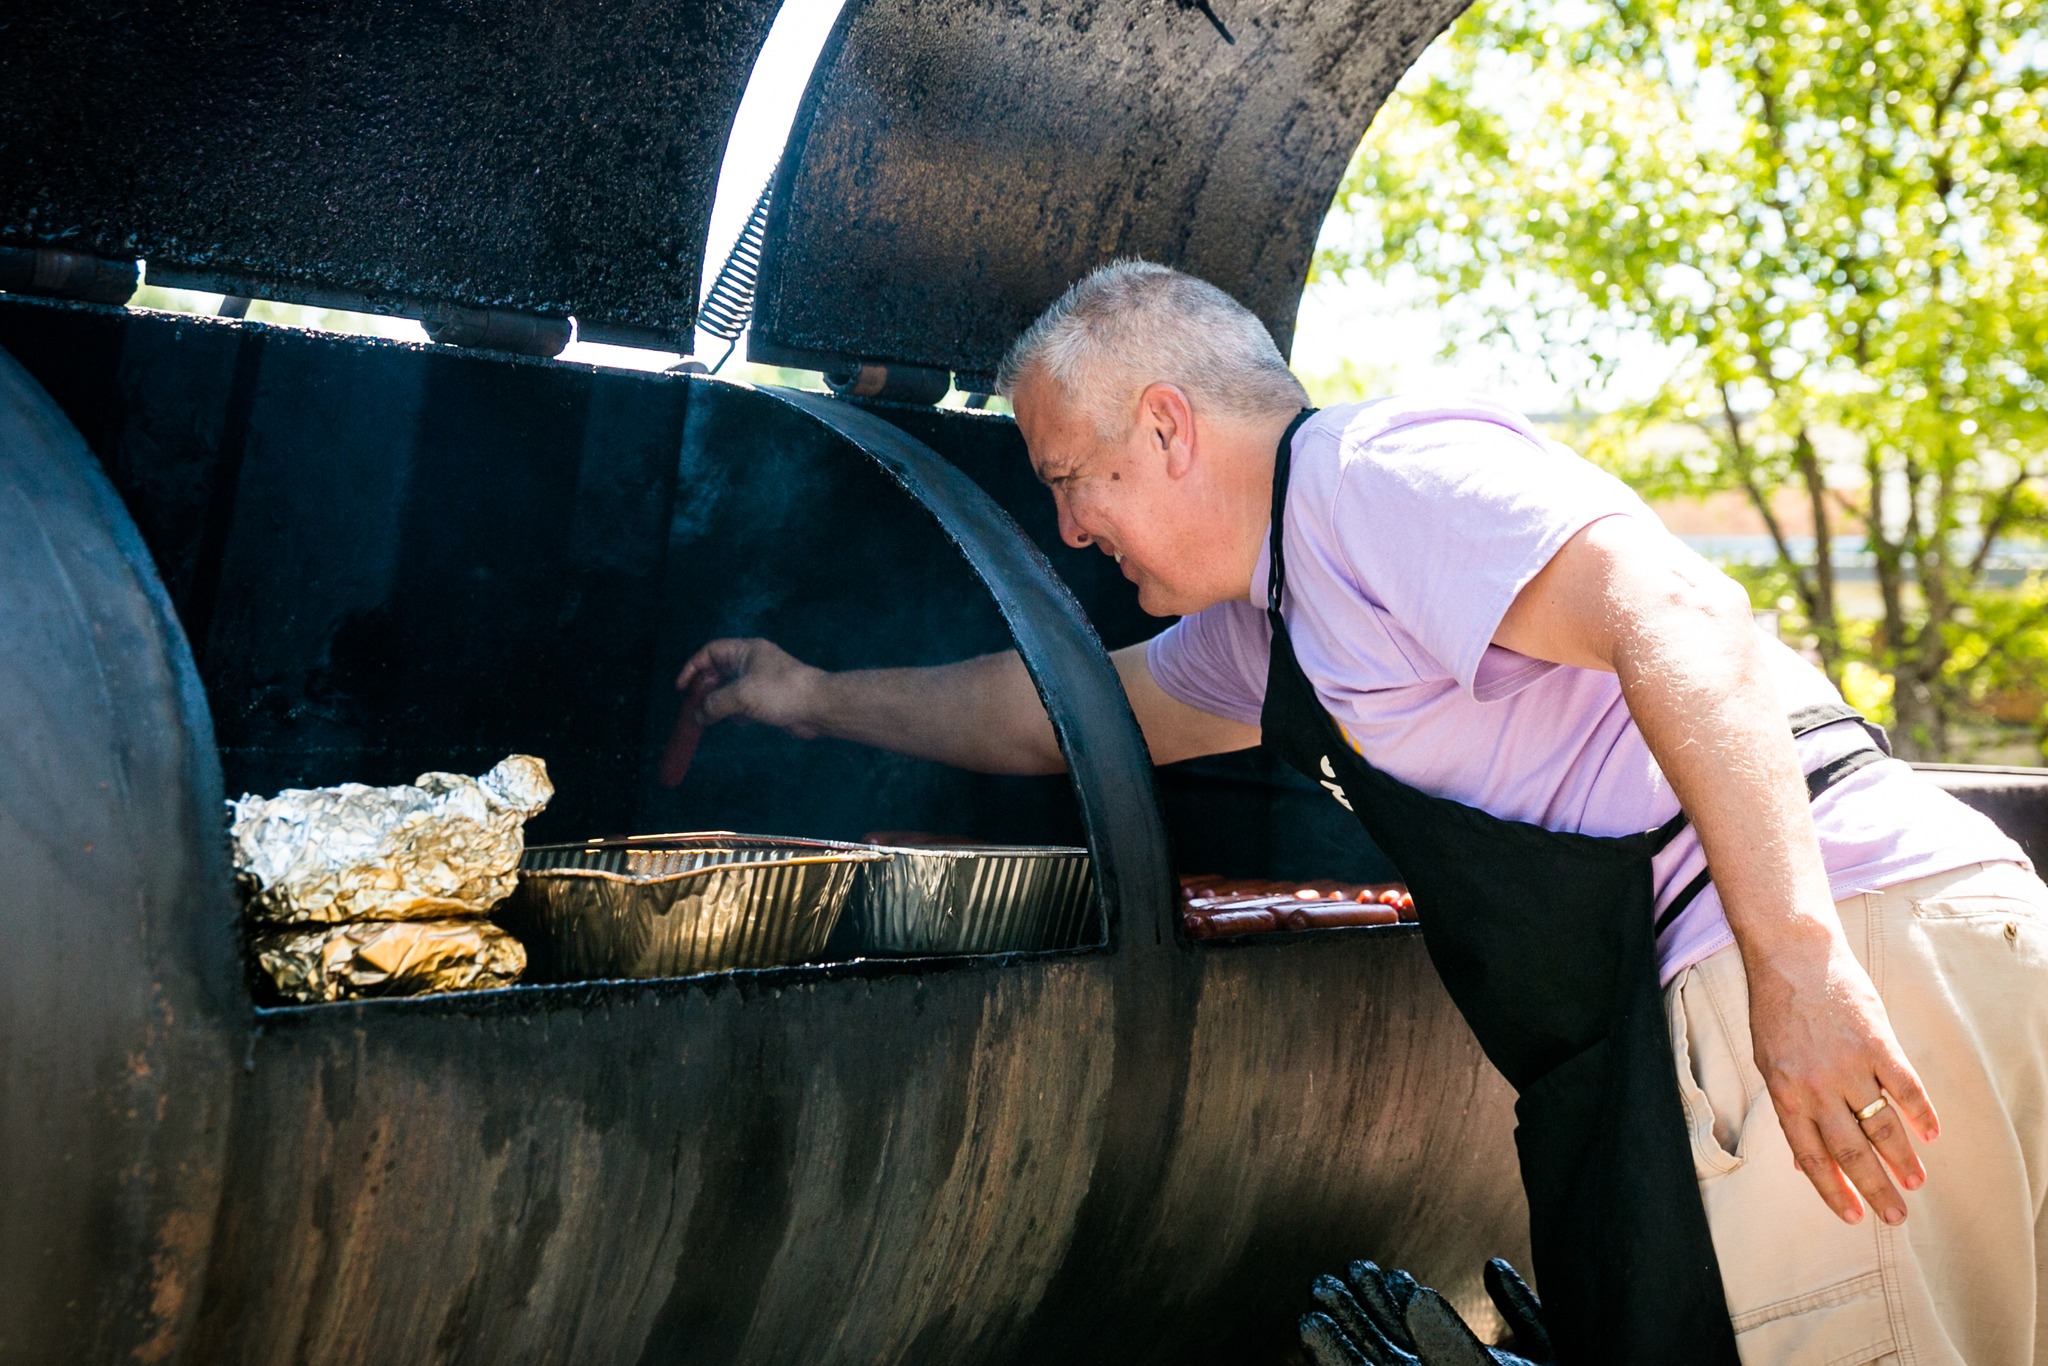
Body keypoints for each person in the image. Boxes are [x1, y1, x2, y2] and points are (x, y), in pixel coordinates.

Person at [676, 262, 2047, 1365]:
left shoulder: (1368, 480)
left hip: (1824, 962)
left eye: (1066, 476)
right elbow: (1057, 708)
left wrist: (1797, 965)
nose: (1072, 529)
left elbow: (1678, 611)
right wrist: (808, 694)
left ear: (1166, 425)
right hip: (1865, 953)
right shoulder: (1272, 624)